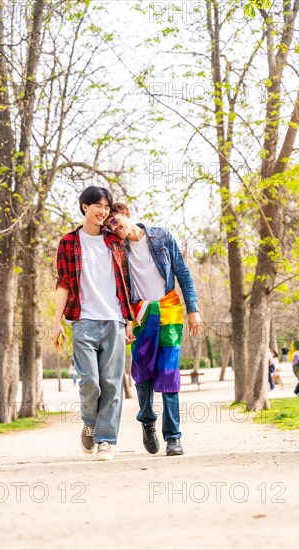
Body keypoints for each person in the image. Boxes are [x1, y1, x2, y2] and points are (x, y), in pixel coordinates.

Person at [105, 203, 203, 457]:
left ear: (126, 214)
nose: (114, 230)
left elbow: (182, 272)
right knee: (143, 375)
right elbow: (118, 291)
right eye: (109, 228)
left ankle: (173, 437)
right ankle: (147, 421)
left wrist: (193, 309)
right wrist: (125, 321)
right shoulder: (116, 250)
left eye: (115, 222)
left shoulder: (162, 236)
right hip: (139, 314)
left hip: (169, 309)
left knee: (169, 372)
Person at [53, 186, 133, 461]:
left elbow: (127, 282)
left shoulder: (115, 242)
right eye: (98, 205)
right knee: (90, 383)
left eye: (107, 207)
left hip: (114, 319)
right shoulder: (68, 242)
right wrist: (56, 323)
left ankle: (106, 441)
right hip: (83, 320)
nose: (103, 211)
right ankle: (90, 421)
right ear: (85, 207)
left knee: (111, 384)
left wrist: (130, 320)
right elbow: (63, 284)